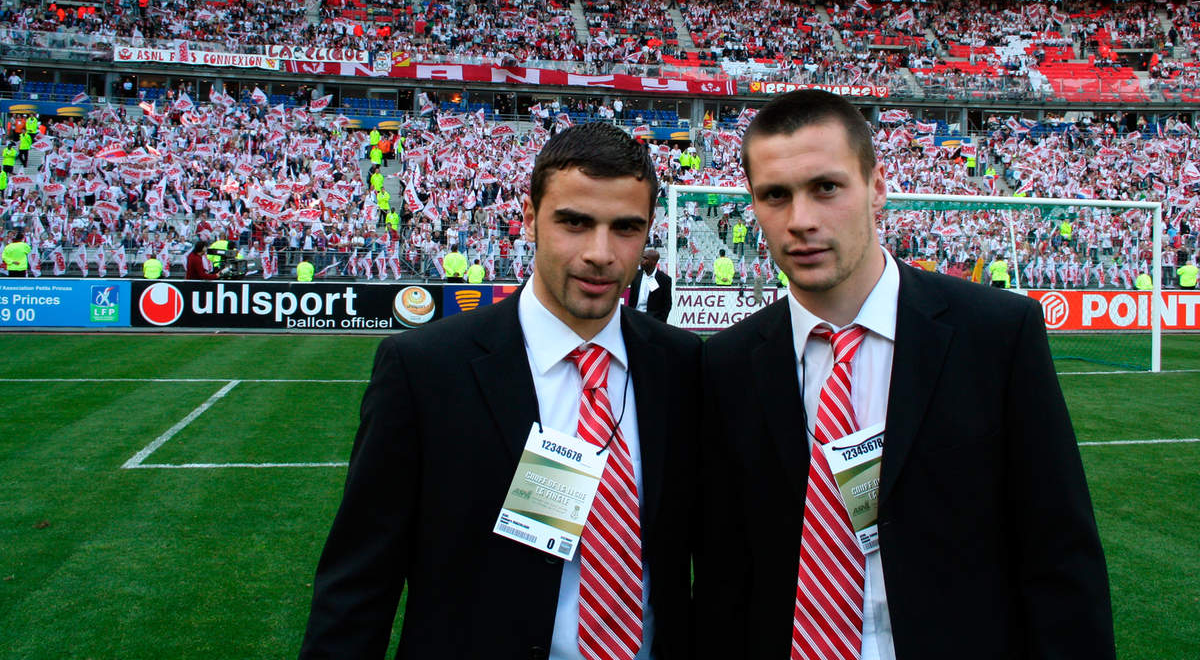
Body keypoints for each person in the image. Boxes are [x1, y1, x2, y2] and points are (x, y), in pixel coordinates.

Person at [695, 90, 1113, 660]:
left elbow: (1060, 555)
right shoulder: (727, 363)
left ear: (877, 188)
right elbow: (724, 578)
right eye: (775, 195)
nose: (801, 220)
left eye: (826, 187)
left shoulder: (995, 334)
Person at [300, 122, 702, 658]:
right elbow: (357, 586)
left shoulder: (683, 365)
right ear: (530, 219)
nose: (601, 252)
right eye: (575, 222)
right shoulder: (425, 369)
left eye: (626, 228)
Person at [629, 248, 672, 323]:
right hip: (635, 317)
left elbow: (667, 304)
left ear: (654, 262)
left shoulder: (664, 279)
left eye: (645, 258)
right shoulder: (635, 275)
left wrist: (659, 322)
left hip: (653, 321)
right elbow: (631, 300)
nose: (641, 260)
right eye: (642, 257)